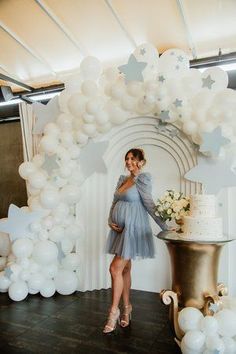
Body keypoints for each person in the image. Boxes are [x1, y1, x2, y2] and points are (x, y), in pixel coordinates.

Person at [103, 148, 168, 334]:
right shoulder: (123, 180)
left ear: (141, 162)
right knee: (124, 269)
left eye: (132, 159)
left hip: (133, 229)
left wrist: (166, 226)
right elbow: (114, 203)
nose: (129, 162)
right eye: (127, 159)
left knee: (114, 268)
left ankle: (113, 313)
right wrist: (110, 220)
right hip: (119, 230)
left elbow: (149, 204)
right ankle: (127, 309)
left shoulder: (143, 179)